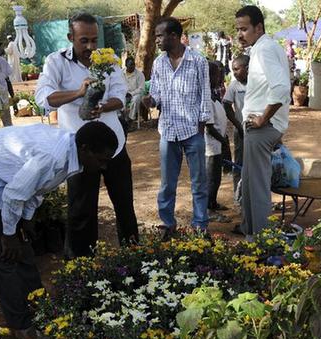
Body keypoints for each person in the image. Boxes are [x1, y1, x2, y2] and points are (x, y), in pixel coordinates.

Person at [0, 121, 119, 339]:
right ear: (85, 148)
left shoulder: (72, 154)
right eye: (102, 160)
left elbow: (37, 187)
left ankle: (41, 311)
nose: (104, 167)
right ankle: (21, 325)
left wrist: (27, 219)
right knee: (4, 256)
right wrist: (9, 235)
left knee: (23, 249)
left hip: (8, 180)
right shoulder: (53, 157)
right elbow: (14, 195)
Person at [35, 12, 139, 256]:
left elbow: (120, 96)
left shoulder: (109, 60)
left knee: (124, 205)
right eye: (84, 40)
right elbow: (44, 99)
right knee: (81, 210)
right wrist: (78, 93)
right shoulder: (56, 62)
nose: (90, 47)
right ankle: (81, 264)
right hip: (79, 152)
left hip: (113, 146)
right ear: (71, 37)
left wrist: (102, 107)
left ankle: (135, 257)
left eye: (94, 40)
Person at [142, 17, 210, 239]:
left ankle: (200, 224)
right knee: (167, 184)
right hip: (168, 131)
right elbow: (158, 95)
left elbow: (205, 96)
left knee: (198, 182)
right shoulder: (159, 63)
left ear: (173, 36)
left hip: (192, 132)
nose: (157, 40)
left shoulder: (198, 61)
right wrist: (151, 101)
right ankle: (168, 224)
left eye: (160, 36)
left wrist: (201, 127)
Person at [235, 5, 291, 237]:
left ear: (259, 27)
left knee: (257, 187)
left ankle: (261, 242)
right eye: (238, 29)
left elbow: (281, 88)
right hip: (259, 127)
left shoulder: (265, 49)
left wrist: (262, 119)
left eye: (244, 29)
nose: (240, 34)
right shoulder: (261, 48)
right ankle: (250, 233)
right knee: (249, 182)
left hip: (262, 128)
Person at [222, 54, 249, 205]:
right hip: (241, 131)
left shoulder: (258, 83)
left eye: (237, 69)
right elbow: (226, 105)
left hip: (258, 131)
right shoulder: (234, 85)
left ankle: (257, 196)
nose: (235, 73)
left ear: (247, 68)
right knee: (239, 163)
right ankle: (238, 197)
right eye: (233, 70)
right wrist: (239, 125)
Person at [205, 61, 229, 219]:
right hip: (211, 145)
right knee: (211, 179)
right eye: (216, 74)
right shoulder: (206, 96)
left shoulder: (214, 94)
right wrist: (223, 140)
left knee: (217, 177)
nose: (219, 77)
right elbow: (209, 127)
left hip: (217, 143)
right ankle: (208, 209)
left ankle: (212, 203)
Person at [123, 57, 145, 124]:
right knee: (120, 100)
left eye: (133, 64)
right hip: (125, 94)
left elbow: (141, 88)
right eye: (130, 65)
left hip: (136, 94)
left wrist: (131, 94)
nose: (132, 66)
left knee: (135, 100)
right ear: (126, 65)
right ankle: (123, 119)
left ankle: (130, 119)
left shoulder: (139, 74)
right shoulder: (121, 73)